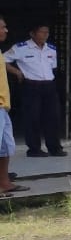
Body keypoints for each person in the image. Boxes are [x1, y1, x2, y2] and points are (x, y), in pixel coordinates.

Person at [4, 22, 66, 158]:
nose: (45, 35)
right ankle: (34, 149)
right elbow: (3, 60)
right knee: (32, 117)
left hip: (49, 86)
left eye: (47, 32)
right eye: (42, 32)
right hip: (31, 85)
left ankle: (55, 148)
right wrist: (17, 72)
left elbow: (52, 67)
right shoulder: (21, 48)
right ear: (33, 33)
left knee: (53, 117)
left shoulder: (51, 49)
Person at [0, 15, 23, 196]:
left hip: (3, 106)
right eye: (3, 27)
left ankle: (4, 183)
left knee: (6, 147)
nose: (6, 30)